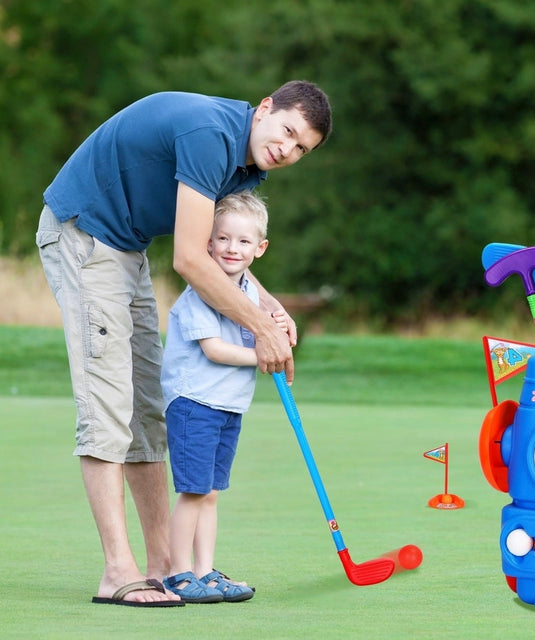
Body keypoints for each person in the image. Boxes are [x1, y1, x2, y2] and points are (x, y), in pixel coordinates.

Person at [35, 81, 332, 607]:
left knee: (149, 408)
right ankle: (118, 573)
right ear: (265, 108)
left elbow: (222, 258)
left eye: (302, 148)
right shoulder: (211, 136)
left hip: (127, 249)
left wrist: (270, 308)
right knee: (108, 402)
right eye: (287, 130)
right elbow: (192, 260)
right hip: (84, 235)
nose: (288, 150)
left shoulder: (246, 167)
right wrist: (260, 331)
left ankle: (164, 567)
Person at [161, 191, 283, 603]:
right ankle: (178, 574)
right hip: (194, 403)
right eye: (224, 239)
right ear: (208, 243)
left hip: (228, 405)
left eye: (244, 241)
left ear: (260, 248)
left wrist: (280, 330)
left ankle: (205, 571)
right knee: (194, 491)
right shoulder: (200, 293)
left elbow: (269, 326)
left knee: (211, 493)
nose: (233, 248)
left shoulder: (249, 291)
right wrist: (263, 353)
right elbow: (215, 349)